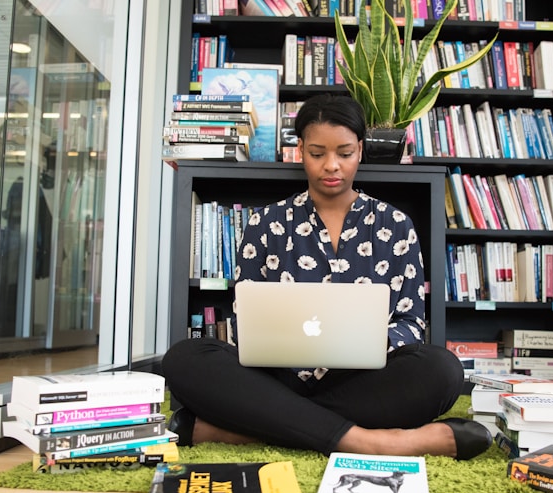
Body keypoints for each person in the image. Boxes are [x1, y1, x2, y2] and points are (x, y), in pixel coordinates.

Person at [162, 94, 492, 460]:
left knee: (442, 370)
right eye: (317, 153)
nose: (331, 166)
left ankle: (251, 428)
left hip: (361, 380)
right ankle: (377, 442)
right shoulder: (265, 223)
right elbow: (247, 323)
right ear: (299, 149)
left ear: (361, 150)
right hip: (275, 377)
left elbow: (411, 322)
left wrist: (363, 342)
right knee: (185, 358)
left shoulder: (396, 225)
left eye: (345, 153)